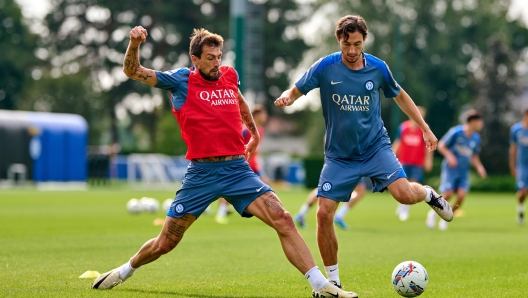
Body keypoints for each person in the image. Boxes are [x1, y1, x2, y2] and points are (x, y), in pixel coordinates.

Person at [91, 26, 357, 298]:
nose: (217, 63)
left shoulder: (229, 75)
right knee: (165, 242)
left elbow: (240, 102)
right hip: (201, 174)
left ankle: (320, 286)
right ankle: (125, 270)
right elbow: (132, 71)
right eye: (210, 58)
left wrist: (253, 134)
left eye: (219, 56)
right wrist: (134, 43)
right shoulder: (180, 80)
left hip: (237, 171)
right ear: (194, 60)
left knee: (283, 218)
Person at [274, 15, 453, 289]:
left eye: (358, 44)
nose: (352, 51)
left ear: (364, 40)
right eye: (347, 45)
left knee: (405, 196)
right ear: (339, 40)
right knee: (323, 214)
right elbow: (296, 89)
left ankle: (428, 194)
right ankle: (333, 283)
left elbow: (401, 96)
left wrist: (425, 128)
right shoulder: (325, 67)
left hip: (375, 147)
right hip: (339, 156)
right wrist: (288, 97)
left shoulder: (378, 68)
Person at [426, 110, 486, 230]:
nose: (481, 124)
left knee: (461, 196)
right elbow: (442, 145)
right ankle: (432, 214)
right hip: (451, 169)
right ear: (473, 122)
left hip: (463, 171)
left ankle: (447, 217)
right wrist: (450, 156)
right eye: (480, 122)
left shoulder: (476, 138)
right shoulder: (456, 132)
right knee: (448, 194)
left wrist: (479, 167)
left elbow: (474, 156)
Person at [215, 104, 269, 224]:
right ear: (256, 115)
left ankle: (259, 210)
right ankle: (221, 212)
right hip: (242, 164)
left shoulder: (260, 130)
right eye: (263, 114)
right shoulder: (245, 130)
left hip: (253, 164)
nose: (265, 116)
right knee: (228, 188)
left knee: (264, 185)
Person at [393, 106, 433, 221]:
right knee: (403, 184)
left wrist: (428, 160)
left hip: (417, 163)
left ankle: (404, 210)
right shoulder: (403, 127)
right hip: (404, 161)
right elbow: (398, 143)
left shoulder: (424, 130)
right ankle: (402, 206)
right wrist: (392, 157)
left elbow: (427, 146)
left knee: (414, 184)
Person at [295, 180, 367, 230]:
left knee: (325, 187)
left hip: (338, 161)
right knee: (360, 191)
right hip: (348, 161)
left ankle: (302, 214)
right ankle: (339, 216)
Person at [509, 108, 528, 225]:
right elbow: (513, 148)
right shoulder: (516, 130)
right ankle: (520, 207)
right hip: (522, 165)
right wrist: (512, 165)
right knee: (523, 190)